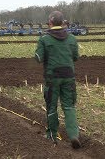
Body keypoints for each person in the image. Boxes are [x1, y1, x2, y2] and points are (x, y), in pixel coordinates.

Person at [34, 11, 81, 149]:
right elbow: (76, 57)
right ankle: (73, 136)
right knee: (69, 106)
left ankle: (52, 136)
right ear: (63, 23)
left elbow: (38, 58)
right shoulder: (72, 38)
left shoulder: (44, 39)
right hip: (69, 77)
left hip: (52, 78)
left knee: (52, 107)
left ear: (50, 23)